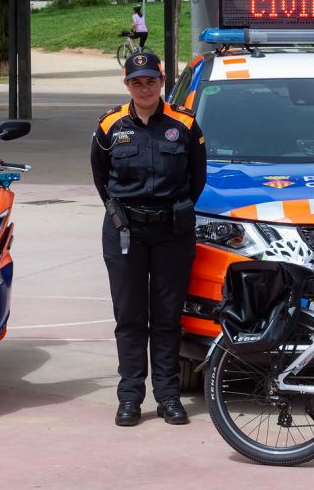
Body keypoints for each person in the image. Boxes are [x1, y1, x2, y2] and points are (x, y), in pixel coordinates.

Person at [90, 50, 206, 426]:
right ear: (127, 85)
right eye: (136, 82)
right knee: (130, 317)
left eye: (151, 81)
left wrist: (177, 209)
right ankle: (129, 397)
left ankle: (169, 396)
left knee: (168, 317)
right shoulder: (110, 125)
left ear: (162, 82)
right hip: (126, 232)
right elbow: (100, 177)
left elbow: (197, 177)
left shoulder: (185, 123)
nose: (144, 88)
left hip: (172, 232)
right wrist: (120, 212)